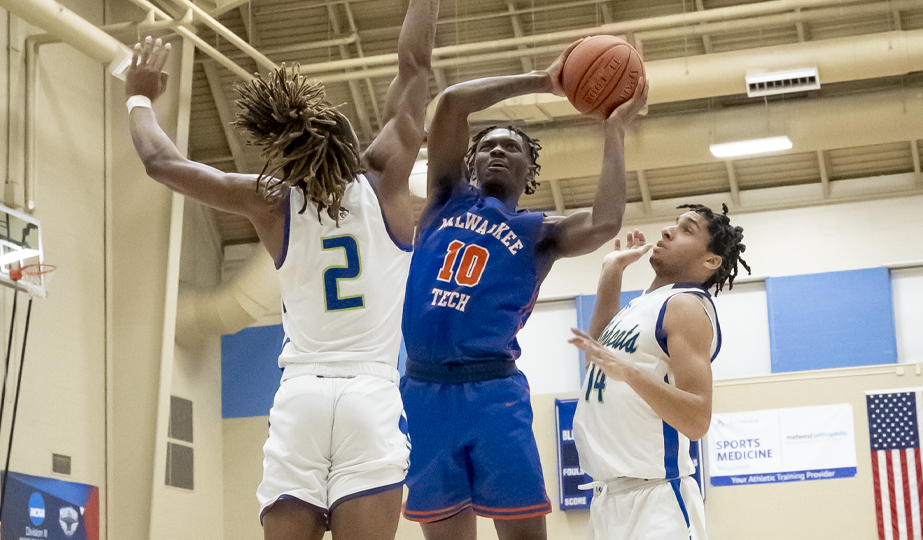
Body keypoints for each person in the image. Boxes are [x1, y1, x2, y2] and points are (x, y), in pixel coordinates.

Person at [123, 0, 438, 537]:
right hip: (371, 395)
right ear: (352, 144)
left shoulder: (271, 202)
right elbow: (415, 66)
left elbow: (162, 163)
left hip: (302, 398)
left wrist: (139, 96)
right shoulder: (385, 181)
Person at [399, 40, 649, 540]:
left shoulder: (540, 233)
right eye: (487, 145)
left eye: (509, 146)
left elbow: (604, 221)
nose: (496, 150)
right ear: (470, 162)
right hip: (423, 391)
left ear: (528, 171)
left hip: (493, 392)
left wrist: (614, 129)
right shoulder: (445, 199)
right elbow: (450, 102)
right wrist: (542, 81)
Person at [568, 204, 750, 540]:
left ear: (711, 260)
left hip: (656, 501)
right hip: (606, 500)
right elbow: (596, 363)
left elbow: (697, 420)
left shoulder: (686, 306)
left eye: (686, 229)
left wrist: (633, 374)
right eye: (673, 224)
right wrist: (612, 271)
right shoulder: (640, 306)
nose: (667, 231)